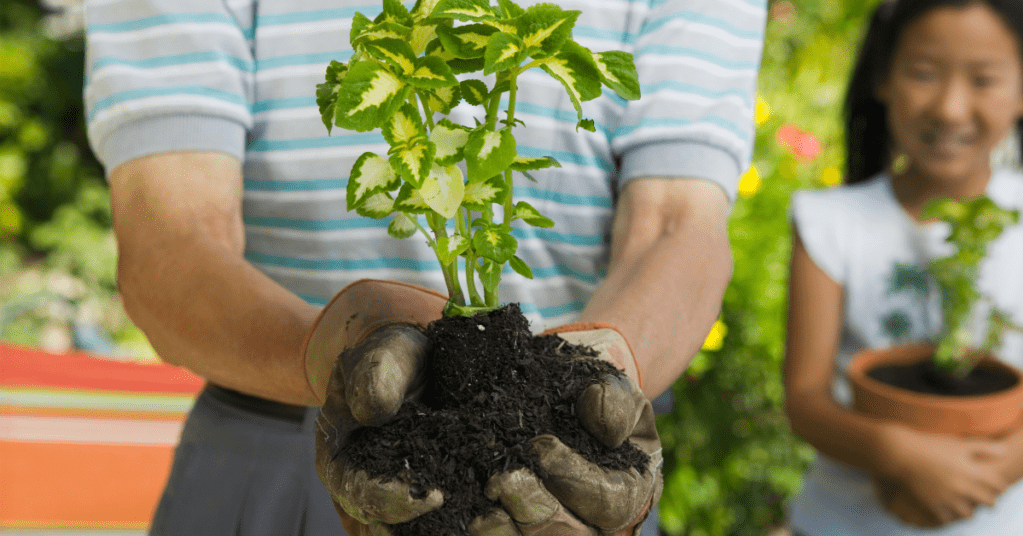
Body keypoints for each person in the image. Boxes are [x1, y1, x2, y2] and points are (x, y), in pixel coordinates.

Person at [82, 0, 766, 534]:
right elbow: (169, 241)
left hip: (569, 485)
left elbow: (677, 226)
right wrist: (331, 353)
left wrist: (603, 373)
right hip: (274, 450)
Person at [784, 0, 1023, 534]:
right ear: (883, 78)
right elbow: (804, 399)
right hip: (841, 521)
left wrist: (1004, 467)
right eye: (924, 73)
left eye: (983, 79)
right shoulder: (830, 222)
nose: (951, 108)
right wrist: (898, 455)